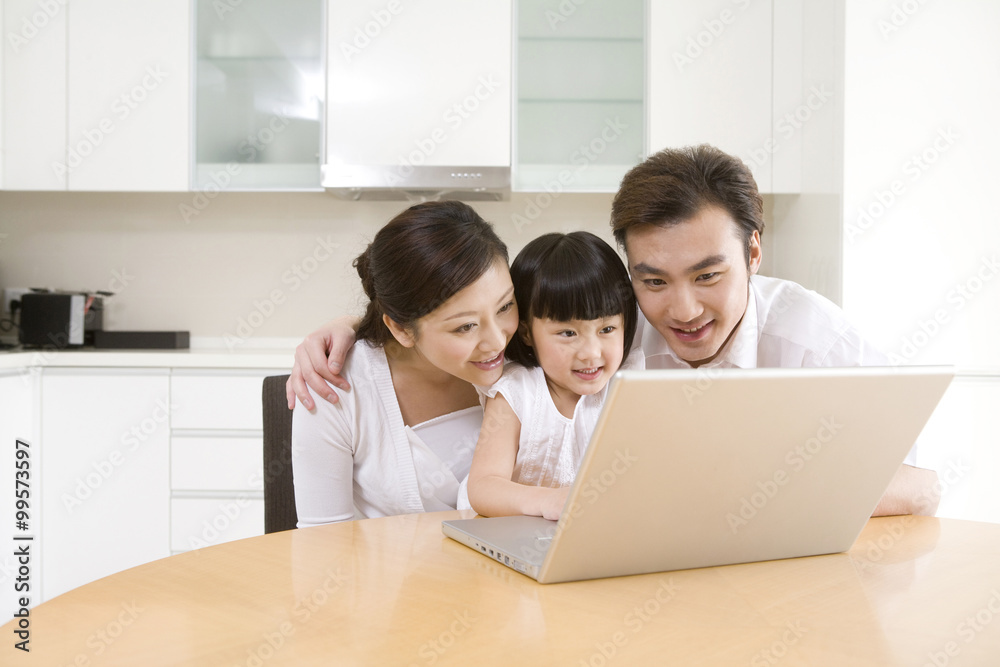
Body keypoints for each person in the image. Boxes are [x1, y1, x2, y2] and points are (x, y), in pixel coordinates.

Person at [287, 145, 939, 517]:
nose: (682, 310)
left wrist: (767, 491)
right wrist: (356, 325)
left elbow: (924, 484)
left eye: (708, 275)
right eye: (653, 280)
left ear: (755, 254)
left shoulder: (814, 340)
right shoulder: (615, 334)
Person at [290, 200, 518, 527]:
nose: (497, 342)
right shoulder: (336, 388)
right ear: (399, 328)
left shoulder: (533, 357)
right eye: (464, 326)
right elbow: (321, 544)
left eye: (505, 306)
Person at [466, 232, 641, 520]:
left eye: (607, 329)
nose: (591, 353)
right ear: (526, 333)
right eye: (568, 333)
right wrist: (548, 501)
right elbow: (483, 488)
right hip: (512, 538)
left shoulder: (628, 387)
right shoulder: (517, 393)